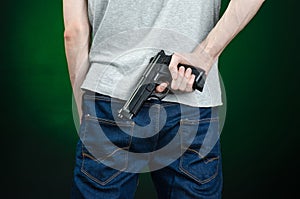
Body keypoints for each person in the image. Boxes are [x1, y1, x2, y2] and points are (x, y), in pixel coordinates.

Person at [63, 0, 265, 198]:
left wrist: (84, 110)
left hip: (109, 99)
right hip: (192, 102)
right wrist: (205, 55)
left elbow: (74, 32)